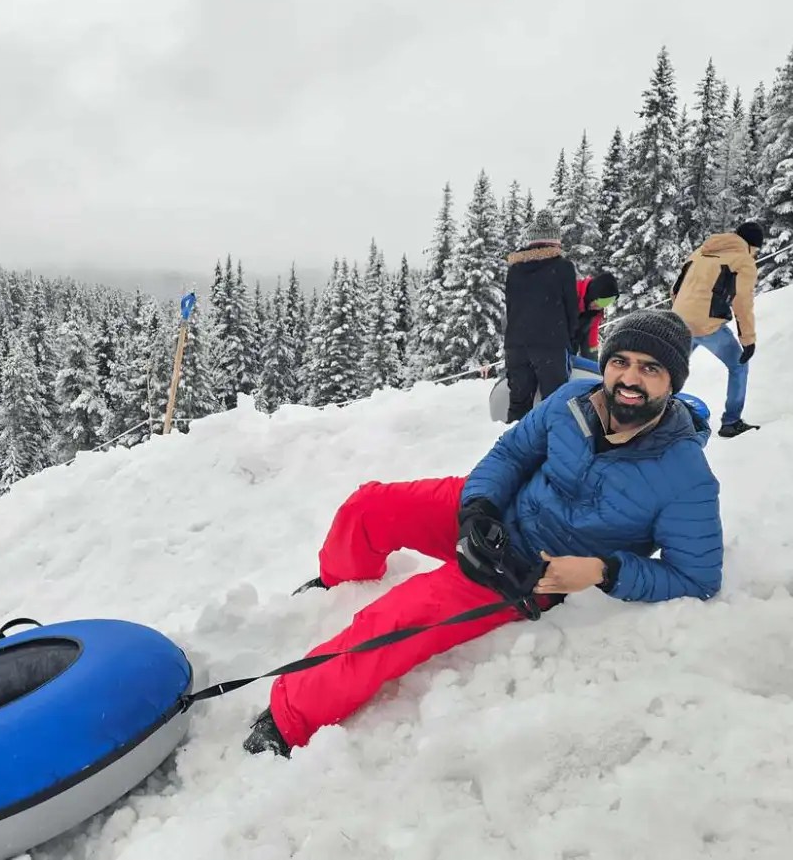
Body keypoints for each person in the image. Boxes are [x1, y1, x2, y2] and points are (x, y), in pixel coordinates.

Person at [244, 309, 724, 757]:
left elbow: (697, 577)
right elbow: (511, 455)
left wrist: (603, 570)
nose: (630, 379)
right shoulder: (571, 403)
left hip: (524, 570)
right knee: (371, 505)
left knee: (391, 624)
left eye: (650, 369)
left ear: (672, 382)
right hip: (499, 513)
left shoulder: (685, 475)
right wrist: (480, 509)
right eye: (620, 361)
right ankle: (338, 580)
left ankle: (289, 719)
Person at [671, 221, 763, 438]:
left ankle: (654, 413)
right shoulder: (744, 260)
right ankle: (731, 422)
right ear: (753, 245)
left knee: (671, 369)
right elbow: (743, 302)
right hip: (707, 326)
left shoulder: (701, 251)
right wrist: (747, 339)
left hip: (679, 320)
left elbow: (677, 287)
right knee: (739, 366)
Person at [502, 210, 579, 422]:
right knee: (555, 402)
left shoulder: (515, 269)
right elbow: (571, 309)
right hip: (550, 344)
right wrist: (572, 341)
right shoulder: (562, 267)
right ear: (554, 242)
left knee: (519, 404)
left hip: (516, 345)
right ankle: (551, 448)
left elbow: (510, 308)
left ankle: (515, 448)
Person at [572, 271, 619, 362]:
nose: (601, 306)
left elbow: (591, 336)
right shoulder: (571, 293)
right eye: (601, 302)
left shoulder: (594, 312)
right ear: (594, 294)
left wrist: (593, 362)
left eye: (606, 303)